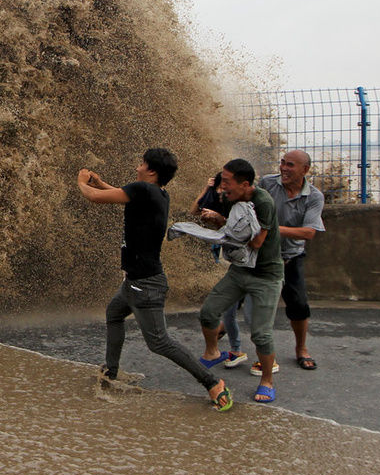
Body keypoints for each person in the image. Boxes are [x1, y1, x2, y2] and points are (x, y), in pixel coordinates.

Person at [77, 148, 233, 411]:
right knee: (114, 314)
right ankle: (111, 371)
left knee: (159, 342)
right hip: (135, 282)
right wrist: (101, 183)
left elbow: (93, 197)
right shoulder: (157, 193)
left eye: (141, 163)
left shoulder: (142, 190)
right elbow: (120, 194)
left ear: (151, 170)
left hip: (145, 285)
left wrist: (82, 181)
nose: (137, 167)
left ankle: (212, 382)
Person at [197, 159, 284, 403]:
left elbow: (256, 242)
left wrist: (223, 226)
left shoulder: (263, 202)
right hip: (240, 269)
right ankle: (213, 352)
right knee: (208, 313)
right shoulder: (230, 198)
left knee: (261, 334)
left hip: (266, 275)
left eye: (227, 182)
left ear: (245, 184)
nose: (222, 186)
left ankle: (267, 381)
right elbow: (215, 219)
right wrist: (216, 220)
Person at [260, 150, 326, 370]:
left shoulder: (314, 196)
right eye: (282, 163)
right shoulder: (267, 184)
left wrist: (271, 229)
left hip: (291, 257)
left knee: (298, 304)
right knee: (237, 297)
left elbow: (308, 232)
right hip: (262, 255)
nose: (283, 168)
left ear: (305, 170)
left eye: (290, 165)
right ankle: (221, 333)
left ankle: (301, 349)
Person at [187, 173, 248, 368]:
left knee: (254, 316)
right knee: (229, 310)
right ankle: (236, 350)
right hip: (233, 264)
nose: (222, 191)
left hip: (251, 264)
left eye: (224, 187)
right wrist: (207, 189)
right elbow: (194, 211)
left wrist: (221, 219)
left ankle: (268, 361)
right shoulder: (217, 200)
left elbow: (240, 231)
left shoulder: (241, 205)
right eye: (219, 187)